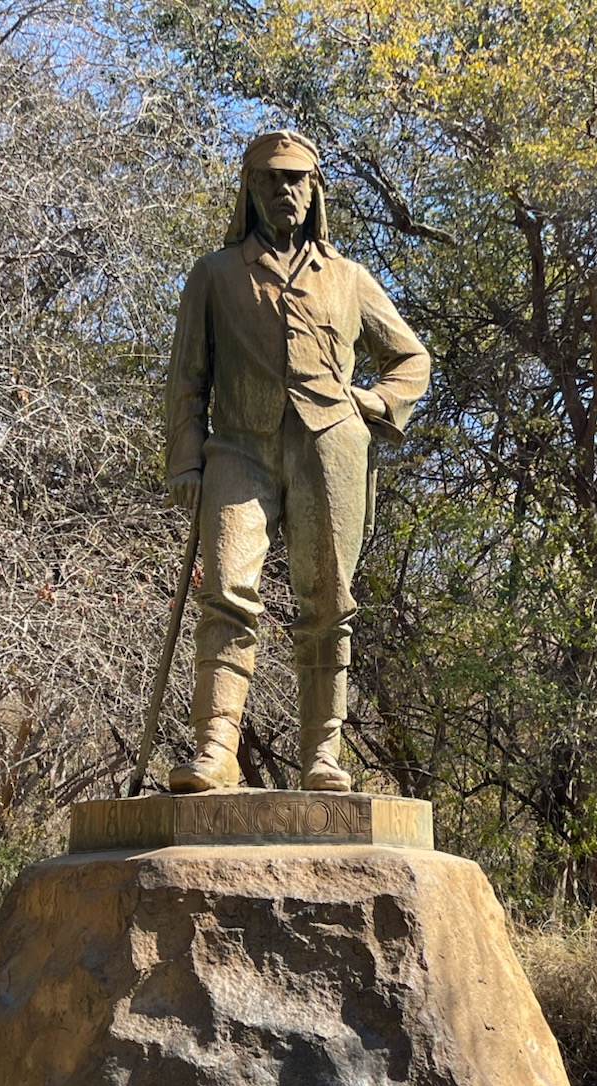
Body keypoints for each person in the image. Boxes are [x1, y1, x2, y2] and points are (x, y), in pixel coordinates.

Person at [165, 129, 430, 793]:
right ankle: (216, 750)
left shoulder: (348, 278)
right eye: (270, 179)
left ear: (314, 191)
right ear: (250, 189)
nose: (283, 190)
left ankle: (324, 758)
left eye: (296, 179)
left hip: (329, 448)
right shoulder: (215, 274)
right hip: (239, 449)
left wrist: (373, 404)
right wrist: (185, 462)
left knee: (328, 605)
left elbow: (411, 358)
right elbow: (186, 380)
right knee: (226, 592)